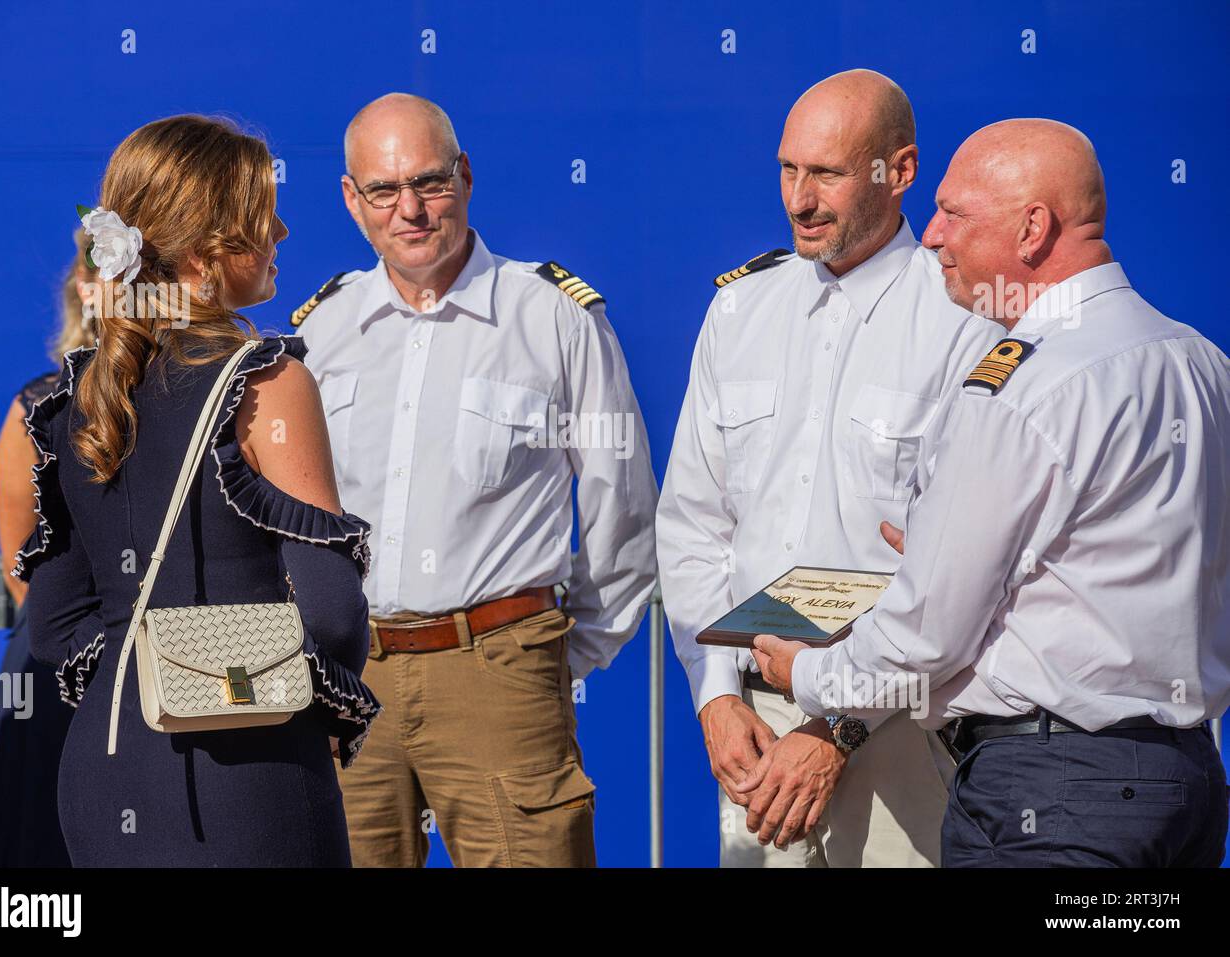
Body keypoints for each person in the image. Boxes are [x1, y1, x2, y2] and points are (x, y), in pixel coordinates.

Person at [758, 118, 1230, 867]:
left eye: (957, 213)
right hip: (1185, 780)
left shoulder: (1022, 384)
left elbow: (925, 635)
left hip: (1053, 793)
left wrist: (807, 674)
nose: (936, 236)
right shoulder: (1199, 361)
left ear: (1033, 229)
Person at [293, 92, 659, 867]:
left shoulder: (555, 317)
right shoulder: (319, 332)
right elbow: (291, 517)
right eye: (385, 190)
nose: (411, 210)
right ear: (352, 201)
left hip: (500, 670)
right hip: (348, 680)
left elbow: (621, 509)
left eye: (429, 182)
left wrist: (552, 654)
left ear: (465, 175)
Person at [656, 70, 1003, 868]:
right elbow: (694, 522)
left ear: (901, 170)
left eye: (828, 173)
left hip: (900, 733)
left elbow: (963, 565)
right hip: (753, 727)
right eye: (787, 169)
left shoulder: (967, 322)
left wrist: (840, 723)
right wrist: (714, 693)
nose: (799, 199)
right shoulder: (739, 311)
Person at [15, 114, 379, 867]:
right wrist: (263, 688)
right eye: (260, 214)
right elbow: (334, 614)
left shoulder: (67, 394)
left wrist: (139, 673)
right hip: (244, 772)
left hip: (101, 764)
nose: (282, 228)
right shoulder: (267, 380)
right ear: (208, 253)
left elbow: (52, 623)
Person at [0, 230, 98, 867]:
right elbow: (21, 564)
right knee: (44, 853)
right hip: (55, 668)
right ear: (83, 291)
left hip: (167, 667)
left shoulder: (194, 401)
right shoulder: (35, 407)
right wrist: (81, 645)